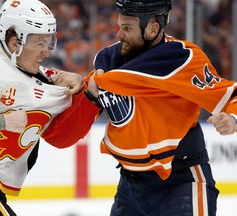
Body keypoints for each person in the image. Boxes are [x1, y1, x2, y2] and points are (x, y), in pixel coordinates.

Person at [85, 0, 237, 215]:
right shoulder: (109, 58)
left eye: (127, 28)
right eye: (120, 26)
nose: (119, 34)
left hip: (181, 181)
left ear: (153, 28)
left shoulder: (181, 58)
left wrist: (233, 119)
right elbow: (87, 99)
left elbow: (232, 96)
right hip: (129, 187)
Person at [0, 0, 101, 215]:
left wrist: (90, 97)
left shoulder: (48, 81)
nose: (46, 52)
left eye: (49, 42)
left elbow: (59, 138)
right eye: (39, 43)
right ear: (14, 42)